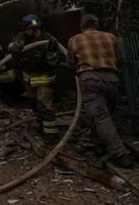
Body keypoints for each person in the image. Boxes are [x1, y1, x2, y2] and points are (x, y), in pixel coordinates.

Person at [67, 14, 134, 168]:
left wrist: (80, 71)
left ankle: (120, 154)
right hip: (112, 79)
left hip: (90, 79)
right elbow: (120, 60)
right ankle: (97, 145)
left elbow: (71, 63)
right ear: (97, 25)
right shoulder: (111, 37)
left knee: (101, 117)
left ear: (82, 26)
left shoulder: (75, 40)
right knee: (105, 115)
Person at [8, 14, 61, 143]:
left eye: (27, 29)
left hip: (44, 79)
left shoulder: (49, 40)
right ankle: (42, 126)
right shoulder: (23, 37)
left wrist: (52, 51)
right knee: (34, 105)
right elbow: (13, 44)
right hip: (29, 80)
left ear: (35, 27)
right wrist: (12, 48)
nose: (25, 31)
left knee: (44, 106)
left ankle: (51, 135)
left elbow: (54, 62)